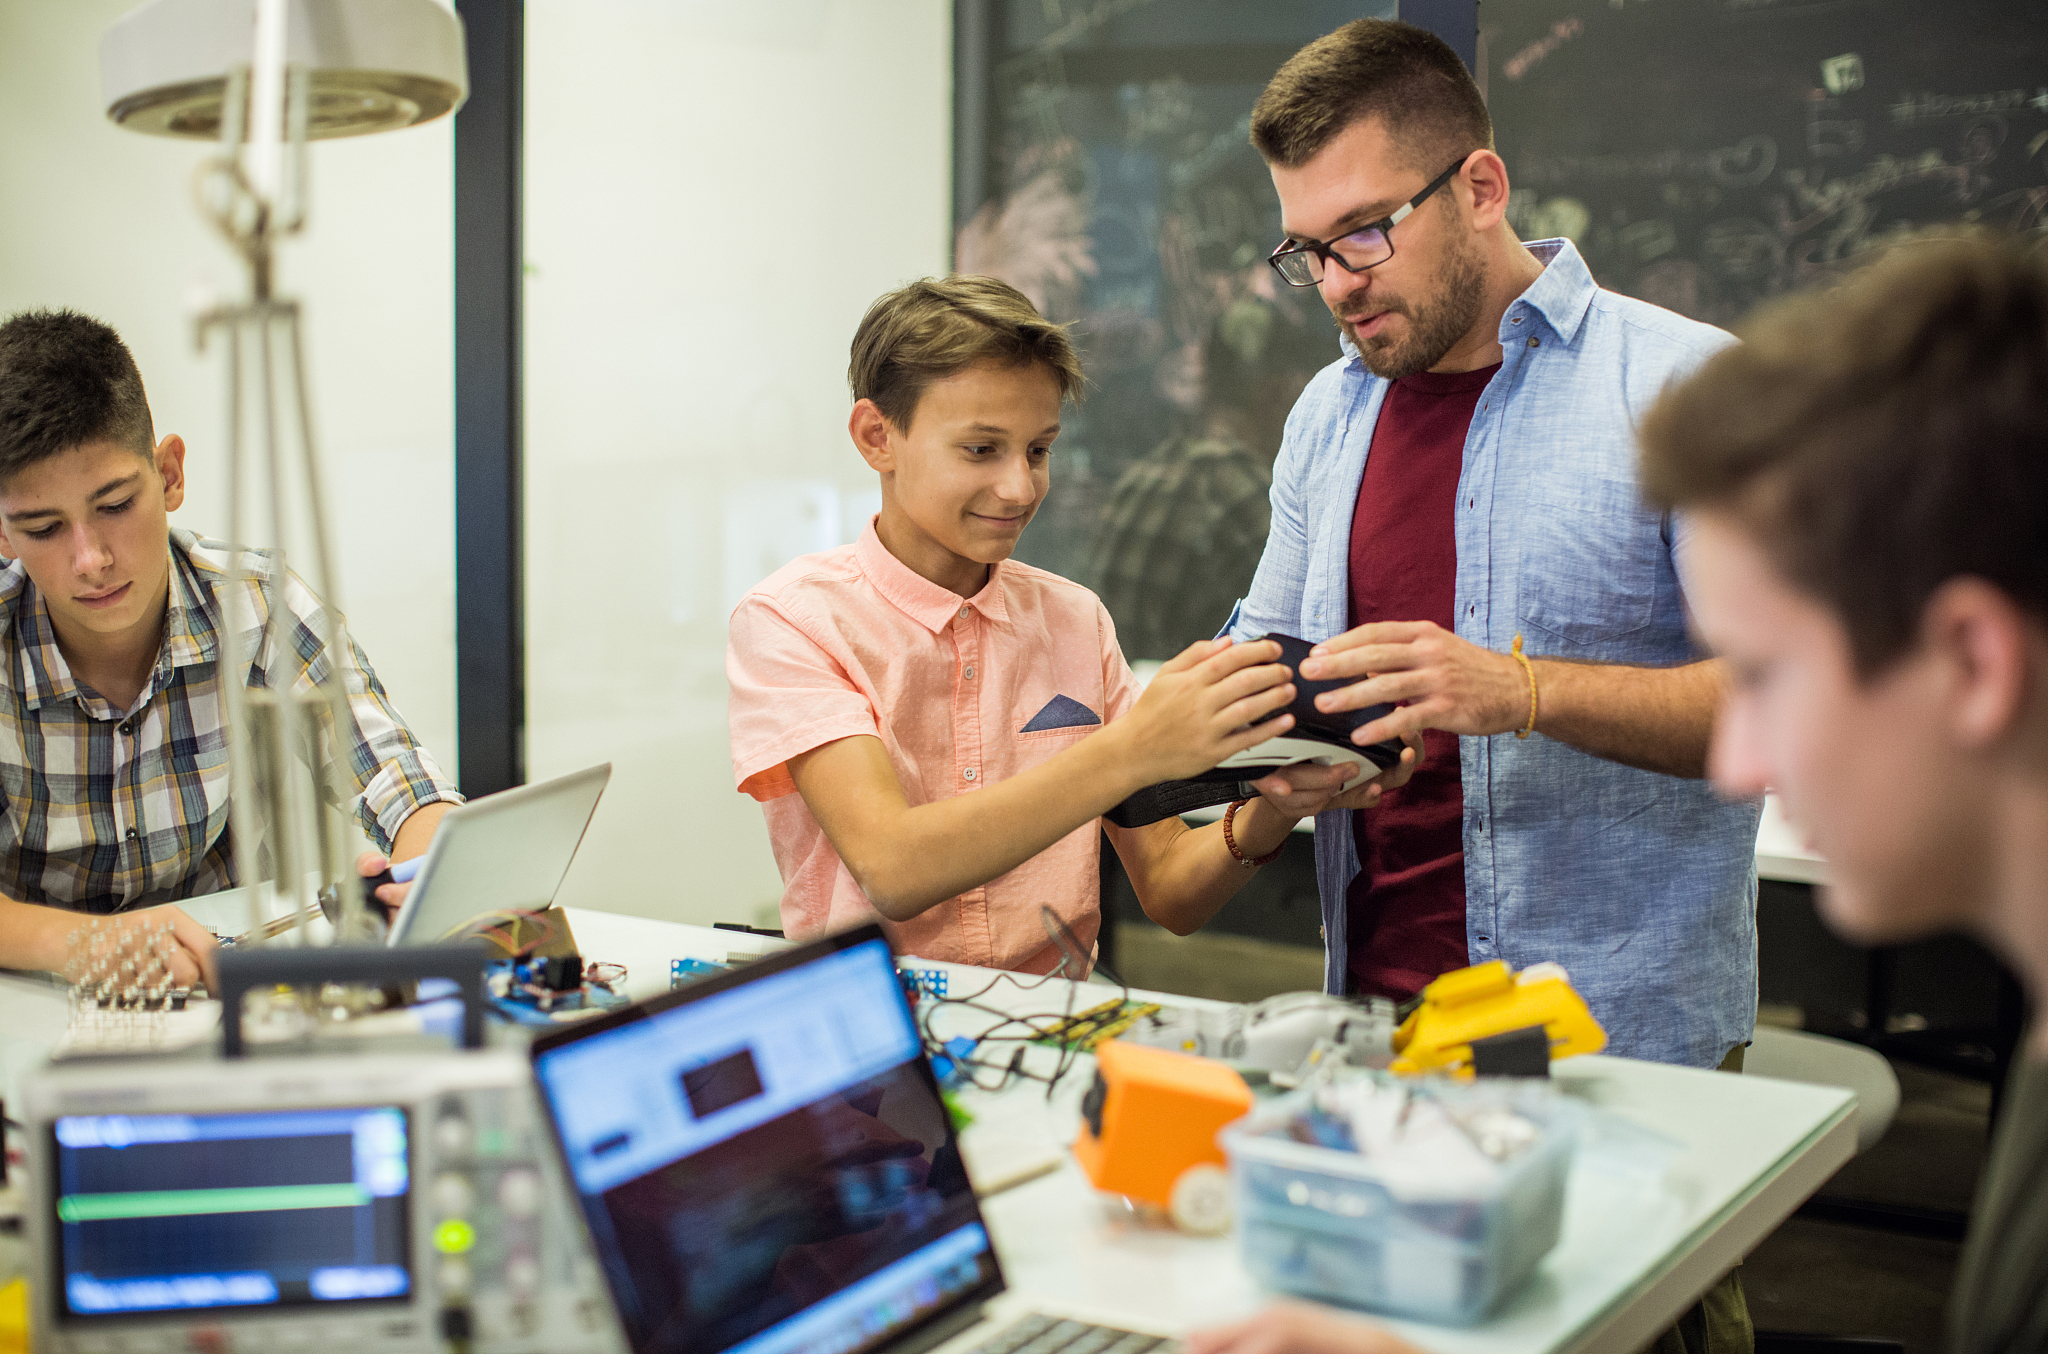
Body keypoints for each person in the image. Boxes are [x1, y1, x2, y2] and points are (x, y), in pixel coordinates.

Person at [1189, 228, 2048, 1354]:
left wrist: (1525, 689)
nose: (1745, 765)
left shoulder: (1665, 372)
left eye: (1774, 674)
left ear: (1973, 663)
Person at [1228, 18, 1759, 1071]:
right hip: (1376, 1033)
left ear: (1478, 188)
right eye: (1306, 250)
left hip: (1620, 1043)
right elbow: (1262, 670)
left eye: (1366, 231)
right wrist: (1258, 747)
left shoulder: (1687, 390)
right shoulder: (1327, 417)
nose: (1336, 281)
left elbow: (1787, 708)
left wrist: (1518, 691)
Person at [725, 276, 1419, 972]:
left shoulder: (1073, 619)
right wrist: (1135, 749)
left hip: (1057, 1042)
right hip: (877, 1049)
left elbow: (1172, 891)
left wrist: (1279, 804)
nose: (1020, 488)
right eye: (980, 450)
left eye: (1038, 450)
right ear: (878, 437)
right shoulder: (794, 621)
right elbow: (894, 867)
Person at [0, 310, 461, 987]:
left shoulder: (256, 603)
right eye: (43, 528)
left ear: (170, 474)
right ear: (3, 534)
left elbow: (399, 779)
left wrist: (425, 882)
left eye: (116, 505)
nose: (90, 559)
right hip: (32, 999)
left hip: (228, 991)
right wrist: (88, 944)